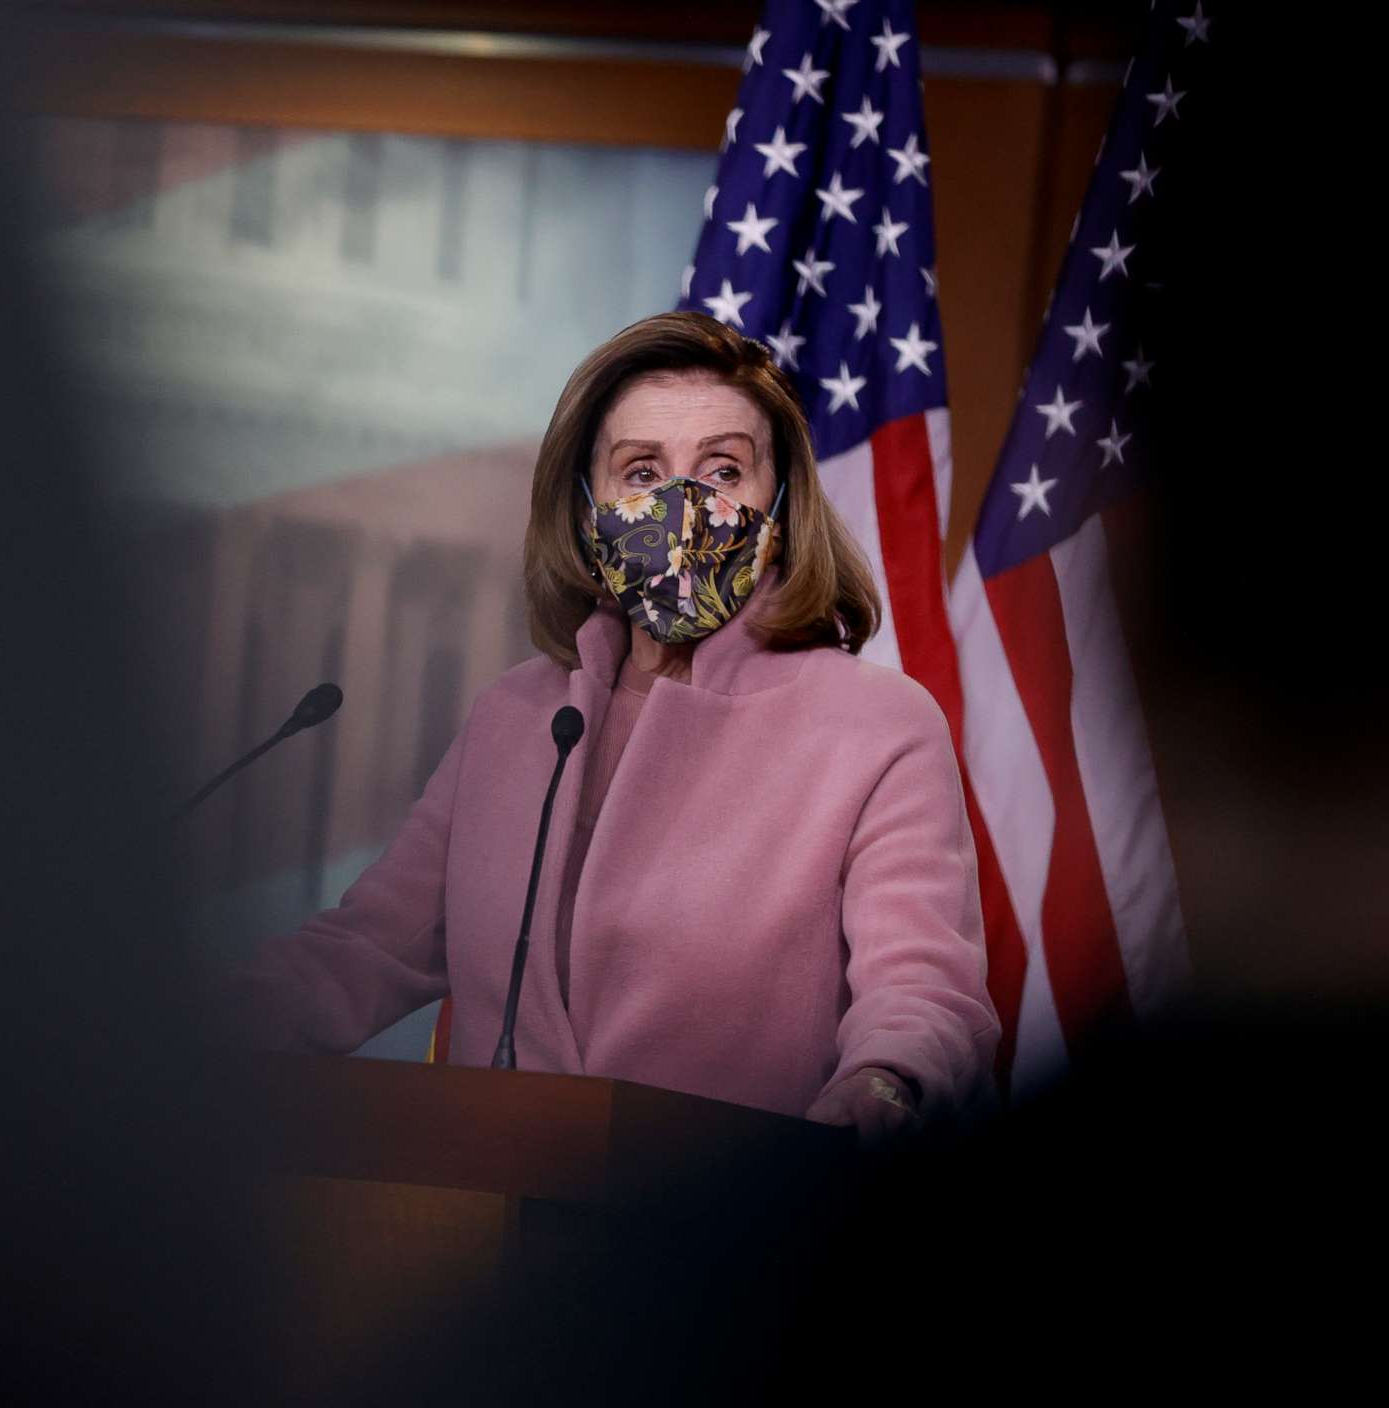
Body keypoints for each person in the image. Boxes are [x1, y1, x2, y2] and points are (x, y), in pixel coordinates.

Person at [221, 311, 998, 1145]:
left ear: (781, 509)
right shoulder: (515, 720)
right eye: (641, 471)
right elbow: (366, 948)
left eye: (725, 468)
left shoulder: (875, 726)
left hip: (731, 1235)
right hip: (475, 1230)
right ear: (588, 511)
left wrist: (885, 1086)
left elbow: (922, 990)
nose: (683, 504)